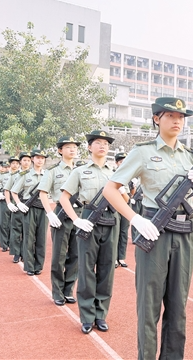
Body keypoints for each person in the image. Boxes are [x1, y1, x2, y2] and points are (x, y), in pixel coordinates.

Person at [102, 97, 193, 359]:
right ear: (156, 119)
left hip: (186, 233)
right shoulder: (142, 152)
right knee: (149, 306)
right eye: (170, 116)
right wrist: (135, 218)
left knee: (178, 307)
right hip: (154, 230)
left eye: (181, 117)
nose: (177, 121)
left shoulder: (191, 156)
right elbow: (111, 189)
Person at [59, 130, 118, 334]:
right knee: (86, 269)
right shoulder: (79, 171)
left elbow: (125, 199)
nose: (103, 146)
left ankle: (101, 314)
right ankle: (86, 316)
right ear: (90, 147)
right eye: (98, 143)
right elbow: (64, 198)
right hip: (88, 218)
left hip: (111, 219)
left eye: (106, 144)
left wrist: (125, 192)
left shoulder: (116, 173)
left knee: (107, 268)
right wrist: (76, 220)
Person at [39, 136, 81, 306]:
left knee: (76, 255)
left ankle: (68, 290)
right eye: (68, 147)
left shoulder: (82, 170)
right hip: (61, 215)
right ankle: (57, 291)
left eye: (74, 147)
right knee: (59, 255)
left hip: (79, 214)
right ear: (60, 150)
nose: (72, 150)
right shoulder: (53, 171)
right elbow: (43, 193)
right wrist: (50, 213)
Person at [11, 148, 48, 276]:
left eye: (42, 158)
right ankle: (29, 266)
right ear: (33, 159)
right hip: (29, 208)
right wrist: (19, 204)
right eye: (38, 158)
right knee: (29, 238)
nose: (40, 160)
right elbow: (14, 191)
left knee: (41, 238)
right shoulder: (25, 175)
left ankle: (39, 266)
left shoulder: (48, 175)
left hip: (43, 208)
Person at [5, 152, 32, 263]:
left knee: (28, 231)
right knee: (16, 230)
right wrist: (9, 203)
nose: (26, 162)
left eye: (28, 160)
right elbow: (7, 190)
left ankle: (26, 253)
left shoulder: (34, 174)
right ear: (20, 161)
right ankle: (16, 253)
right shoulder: (15, 175)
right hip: (17, 204)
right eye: (24, 160)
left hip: (30, 205)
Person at [114, 151, 131, 269]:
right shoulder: (113, 175)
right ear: (116, 163)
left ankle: (121, 257)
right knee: (115, 232)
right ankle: (114, 257)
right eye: (120, 161)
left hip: (126, 205)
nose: (123, 163)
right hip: (114, 206)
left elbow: (131, 192)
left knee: (124, 232)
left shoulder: (130, 175)